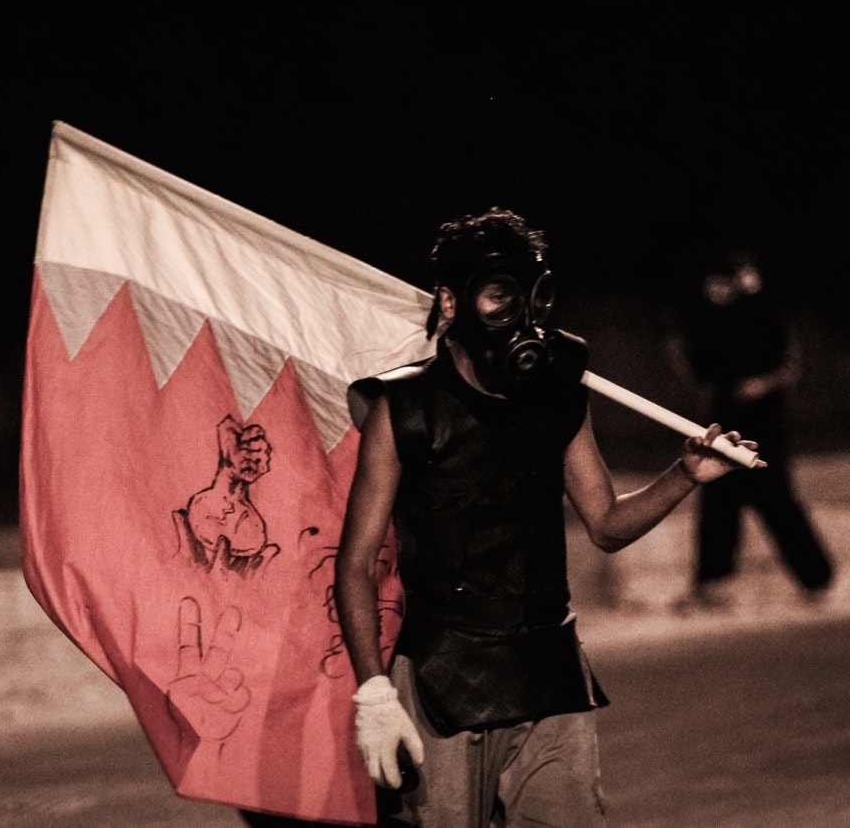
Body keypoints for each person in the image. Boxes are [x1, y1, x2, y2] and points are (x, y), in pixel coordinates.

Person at [333, 207, 760, 826]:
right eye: (499, 296)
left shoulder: (558, 387)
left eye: (532, 298)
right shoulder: (403, 409)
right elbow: (354, 564)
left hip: (549, 671)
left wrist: (685, 475)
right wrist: (373, 692)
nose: (522, 319)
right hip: (440, 679)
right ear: (451, 304)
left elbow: (607, 524)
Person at [661, 246, 835, 609]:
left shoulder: (769, 317)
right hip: (724, 422)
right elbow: (696, 370)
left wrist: (761, 384)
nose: (716, 289)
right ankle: (712, 585)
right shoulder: (708, 321)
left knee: (776, 500)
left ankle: (818, 579)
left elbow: (790, 367)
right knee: (718, 503)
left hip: (765, 423)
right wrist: (678, 355)